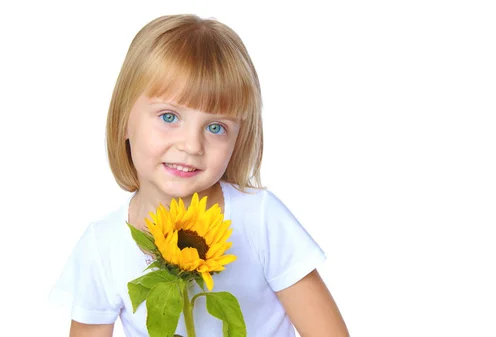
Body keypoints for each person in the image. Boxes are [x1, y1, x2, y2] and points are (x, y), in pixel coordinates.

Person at [49, 14, 349, 337]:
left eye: (216, 127)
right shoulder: (102, 246)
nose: (192, 145)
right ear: (124, 121)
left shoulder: (260, 220)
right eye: (168, 116)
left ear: (238, 139)